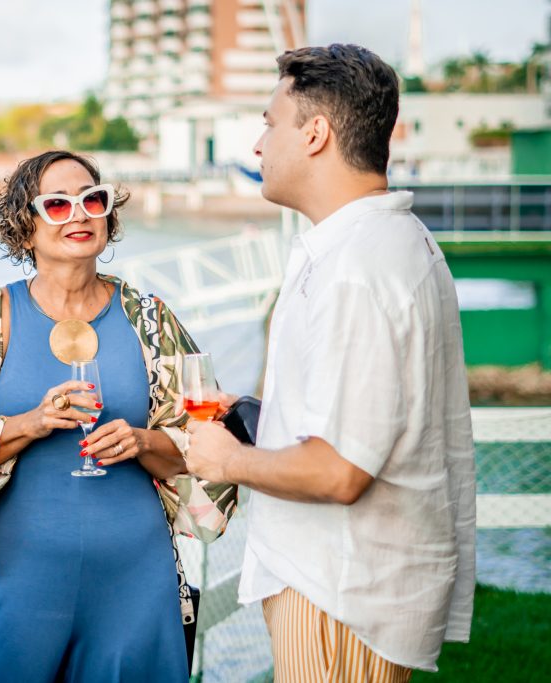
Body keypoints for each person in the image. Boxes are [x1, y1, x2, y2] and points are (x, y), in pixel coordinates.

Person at [186, 44, 476, 681]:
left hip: (338, 590)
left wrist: (225, 460)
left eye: (268, 122)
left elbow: (342, 471)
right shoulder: (383, 244)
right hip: (342, 583)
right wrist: (262, 419)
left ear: (314, 133)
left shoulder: (357, 268)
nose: (258, 145)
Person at [0, 150, 237, 682]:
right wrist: (29, 424)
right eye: (57, 204)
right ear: (25, 226)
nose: (79, 215)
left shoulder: (150, 319)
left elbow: (211, 443)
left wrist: (143, 441)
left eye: (92, 200)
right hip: (15, 578)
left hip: (134, 581)